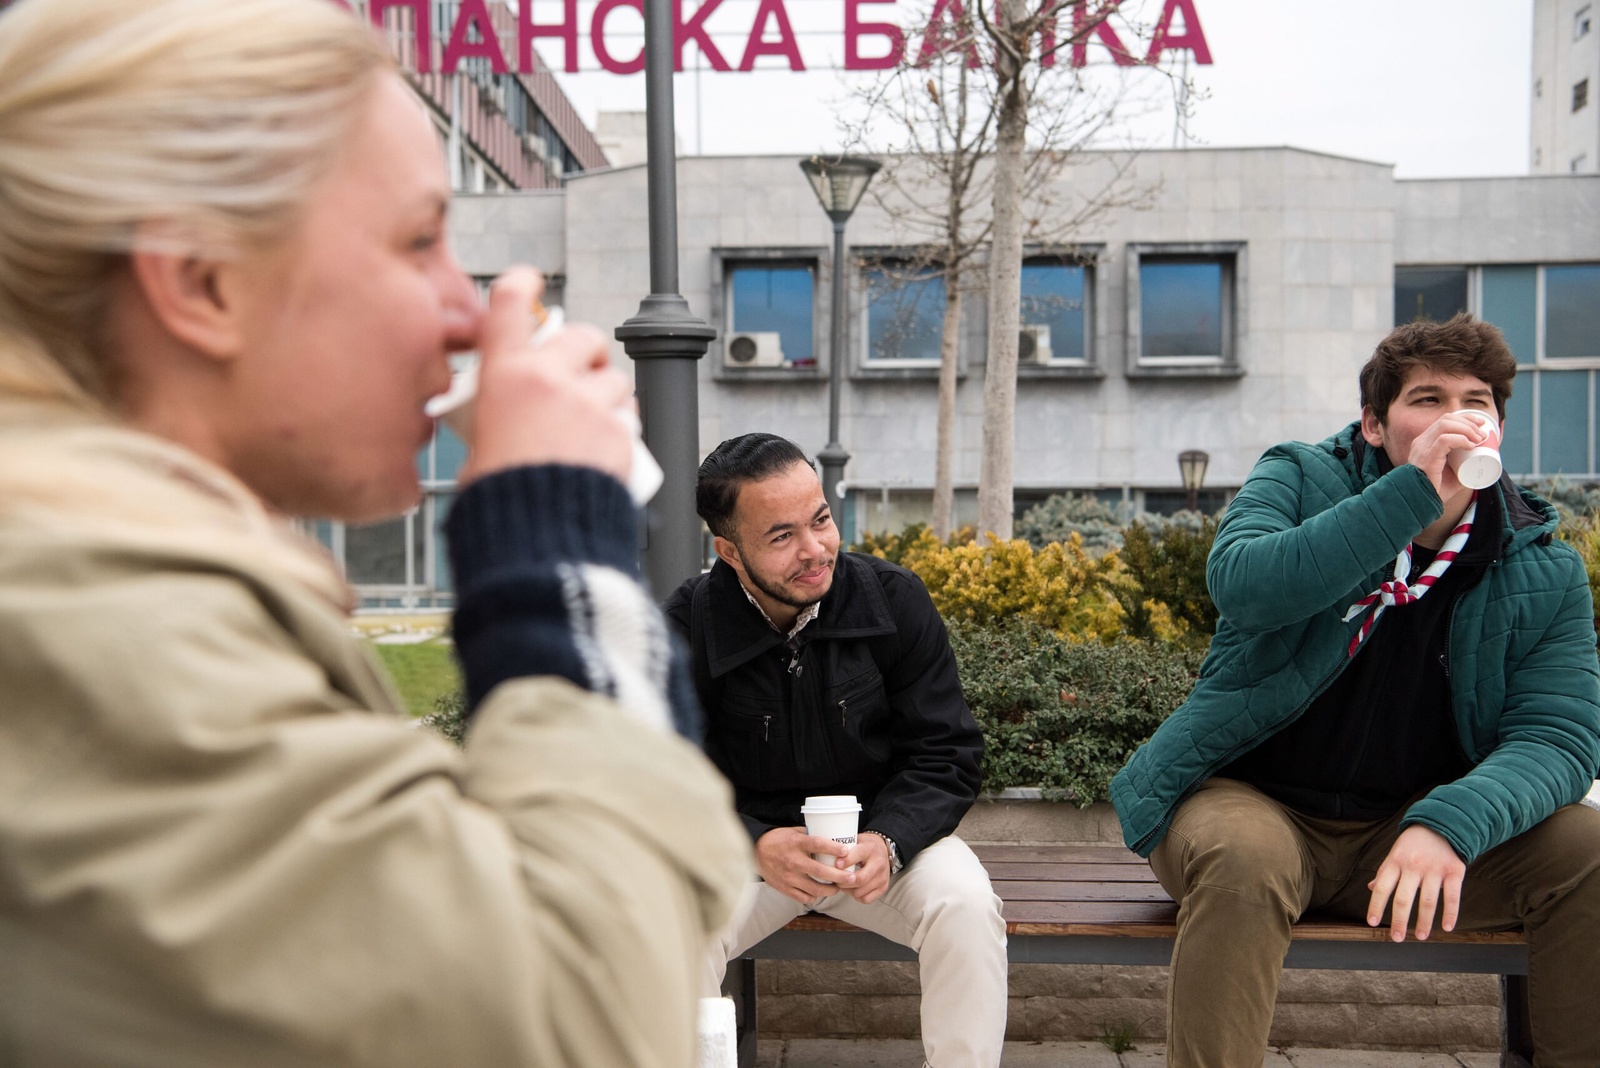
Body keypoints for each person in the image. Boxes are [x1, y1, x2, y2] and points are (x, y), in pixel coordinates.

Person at [0, 1, 749, 1065]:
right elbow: (584, 1020)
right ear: (202, 283)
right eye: (417, 240)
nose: (465, 305)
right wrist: (556, 550)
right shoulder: (86, 628)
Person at [1112, 314, 1600, 1067]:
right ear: (1375, 425)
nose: (1454, 420)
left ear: (1499, 428)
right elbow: (1244, 586)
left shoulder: (1544, 567)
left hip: (1409, 836)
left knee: (1586, 845)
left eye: (1476, 402)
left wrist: (1449, 824)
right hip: (1254, 802)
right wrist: (1407, 498)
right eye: (1426, 400)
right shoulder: (1301, 477)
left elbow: (1559, 739)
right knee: (1245, 860)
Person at [662, 433, 1008, 1068]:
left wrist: (893, 839)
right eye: (781, 536)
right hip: (746, 855)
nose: (814, 549)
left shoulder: (894, 599)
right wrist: (752, 843)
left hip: (879, 843)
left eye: (820, 520)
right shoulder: (687, 627)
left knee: (965, 904)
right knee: (663, 930)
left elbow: (947, 751)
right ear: (729, 552)